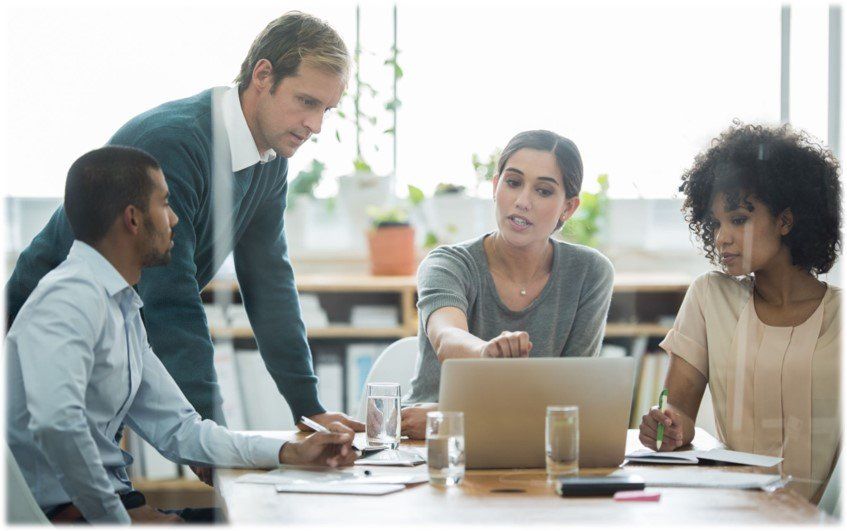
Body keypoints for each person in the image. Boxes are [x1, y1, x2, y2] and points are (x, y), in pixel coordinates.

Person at [5, 12, 363, 448]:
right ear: (263, 75)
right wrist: (210, 438)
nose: (316, 126)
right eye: (306, 101)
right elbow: (170, 298)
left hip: (114, 337)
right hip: (50, 337)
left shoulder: (270, 161)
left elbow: (269, 282)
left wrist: (309, 408)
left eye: (326, 109)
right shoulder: (175, 143)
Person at [6, 146, 356, 524]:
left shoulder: (120, 305)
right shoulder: (67, 300)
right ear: (133, 219)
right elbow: (57, 425)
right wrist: (118, 522)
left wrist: (290, 451)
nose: (174, 219)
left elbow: (181, 430)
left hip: (111, 506)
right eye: (165, 203)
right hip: (69, 516)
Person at [638, 122, 841, 502]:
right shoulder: (709, 297)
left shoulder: (841, 316)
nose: (721, 237)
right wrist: (667, 427)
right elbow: (679, 411)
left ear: (785, 220)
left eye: (739, 219)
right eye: (715, 223)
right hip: (734, 509)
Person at [400, 130, 615, 439]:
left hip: (525, 440)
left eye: (543, 191)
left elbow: (571, 397)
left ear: (568, 207)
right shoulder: (447, 264)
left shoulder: (590, 273)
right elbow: (447, 339)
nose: (522, 202)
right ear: (495, 186)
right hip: (431, 439)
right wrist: (487, 353)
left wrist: (460, 418)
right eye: (513, 183)